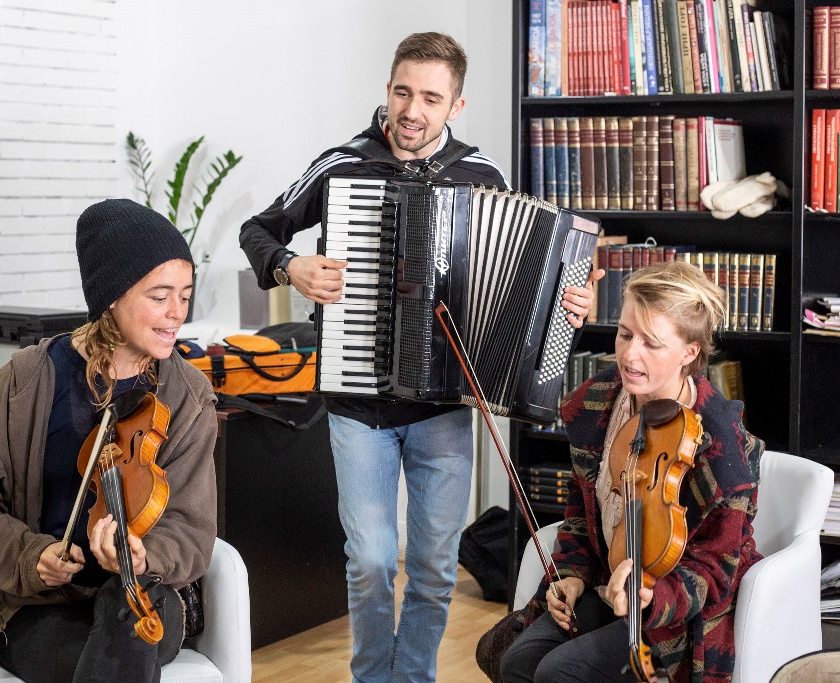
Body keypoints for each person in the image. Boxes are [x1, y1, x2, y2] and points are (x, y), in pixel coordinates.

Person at [239, 32, 602, 683]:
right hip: (358, 403)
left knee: (434, 569)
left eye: (430, 98)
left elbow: (529, 283)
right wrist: (291, 266)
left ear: (455, 105)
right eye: (403, 92)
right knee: (372, 561)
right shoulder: (342, 165)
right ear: (388, 90)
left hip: (444, 407)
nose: (412, 110)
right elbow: (258, 230)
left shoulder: (481, 175)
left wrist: (570, 303)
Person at [0, 198, 218, 683]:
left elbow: (191, 530)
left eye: (185, 295)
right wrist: (30, 555)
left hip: (145, 595)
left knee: (126, 617)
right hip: (41, 604)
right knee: (110, 662)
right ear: (111, 296)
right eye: (160, 297)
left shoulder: (188, 396)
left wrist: (145, 556)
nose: (177, 314)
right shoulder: (28, 379)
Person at [499, 260, 766, 683]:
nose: (629, 354)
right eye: (625, 334)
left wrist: (651, 598)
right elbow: (580, 513)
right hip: (606, 585)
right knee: (516, 662)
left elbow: (715, 567)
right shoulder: (598, 403)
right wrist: (571, 575)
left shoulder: (723, 444)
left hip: (675, 614)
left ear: (689, 352)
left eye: (651, 343)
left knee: (558, 673)